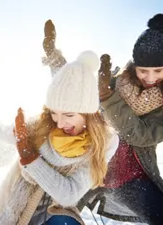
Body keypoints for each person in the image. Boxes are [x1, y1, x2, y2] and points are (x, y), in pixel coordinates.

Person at [0, 50, 119, 225]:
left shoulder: (105, 141)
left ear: (88, 113)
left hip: (58, 212)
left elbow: (69, 194)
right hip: (22, 206)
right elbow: (3, 130)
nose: (60, 123)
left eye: (69, 115)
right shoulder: (43, 126)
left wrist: (31, 159)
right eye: (54, 113)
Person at [42, 15, 163, 224]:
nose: (150, 78)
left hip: (129, 178)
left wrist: (108, 99)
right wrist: (53, 55)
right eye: (143, 70)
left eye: (158, 70)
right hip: (88, 170)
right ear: (134, 67)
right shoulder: (113, 82)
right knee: (55, 217)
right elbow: (73, 89)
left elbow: (141, 136)